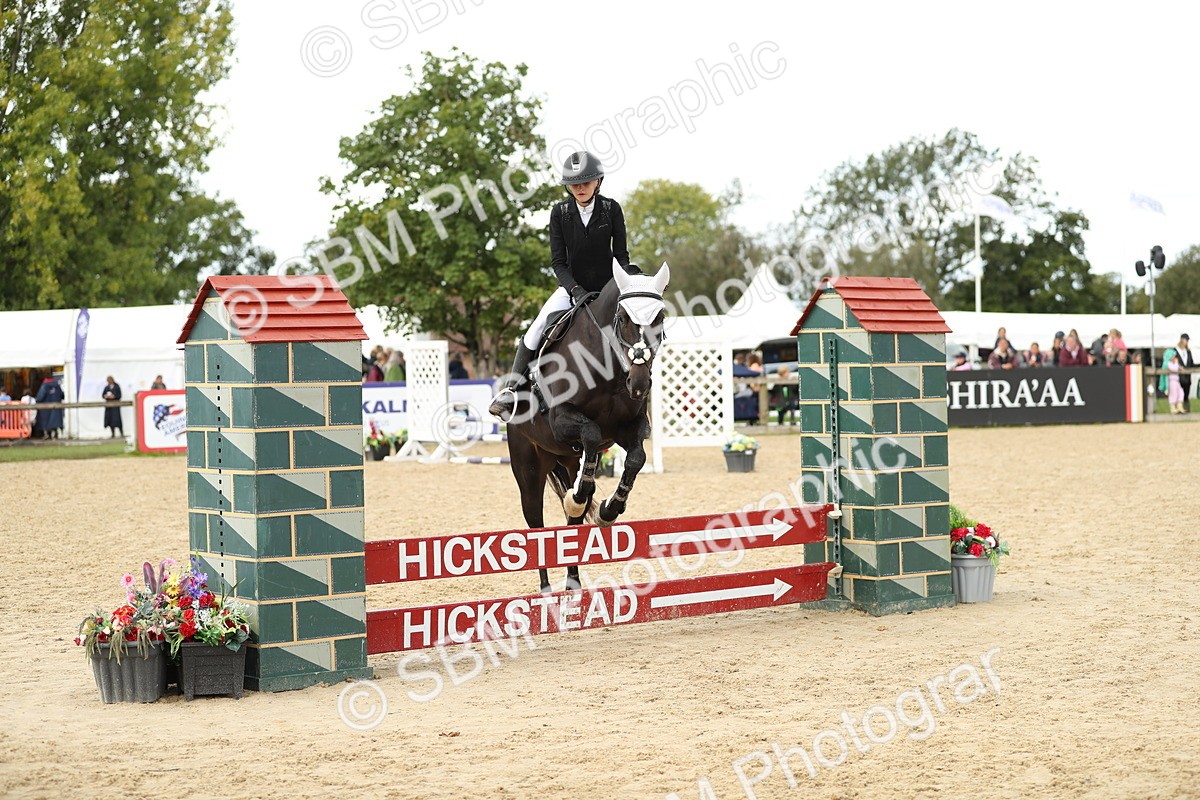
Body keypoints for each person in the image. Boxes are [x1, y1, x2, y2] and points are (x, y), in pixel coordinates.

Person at [489, 150, 636, 420]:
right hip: (571, 289)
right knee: (535, 330)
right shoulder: (560, 213)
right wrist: (575, 290)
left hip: (607, 289)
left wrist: (627, 280)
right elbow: (558, 263)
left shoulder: (611, 209)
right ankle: (513, 390)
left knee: (632, 326)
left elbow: (621, 256)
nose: (580, 188)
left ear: (598, 182)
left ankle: (636, 399)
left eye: (586, 182)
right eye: (574, 184)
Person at [34, 375, 65, 439]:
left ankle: (48, 434)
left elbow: (40, 397)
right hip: (56, 408)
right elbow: (62, 395)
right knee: (55, 421)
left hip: (45, 408)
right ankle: (55, 433)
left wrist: (37, 400)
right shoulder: (57, 386)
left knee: (46, 422)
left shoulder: (44, 386)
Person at [1176, 334, 1194, 413]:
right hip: (1178, 377)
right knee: (1179, 394)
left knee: (1186, 394)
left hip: (1187, 377)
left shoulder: (1188, 352)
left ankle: (1187, 410)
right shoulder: (1175, 351)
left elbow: (1191, 363)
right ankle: (1178, 409)